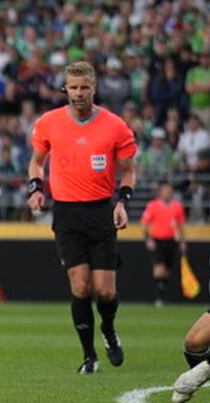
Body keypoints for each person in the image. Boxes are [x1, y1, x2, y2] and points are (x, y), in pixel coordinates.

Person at [26, 61, 138, 374]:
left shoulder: (115, 126)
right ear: (66, 88)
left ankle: (109, 328)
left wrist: (122, 202)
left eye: (84, 87)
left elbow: (128, 171)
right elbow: (36, 162)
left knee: (105, 291)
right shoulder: (49, 122)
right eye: (73, 87)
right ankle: (89, 357)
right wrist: (36, 188)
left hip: (101, 210)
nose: (78, 93)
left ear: (94, 88)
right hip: (67, 213)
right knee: (80, 287)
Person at [140, 180, 186, 307]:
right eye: (164, 191)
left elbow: (181, 226)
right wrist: (148, 239)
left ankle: (162, 293)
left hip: (171, 241)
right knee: (158, 270)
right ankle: (160, 296)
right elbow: (145, 223)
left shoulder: (177, 207)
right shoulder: (152, 205)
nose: (167, 193)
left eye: (169, 191)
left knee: (167, 270)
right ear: (160, 192)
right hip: (157, 240)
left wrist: (182, 242)